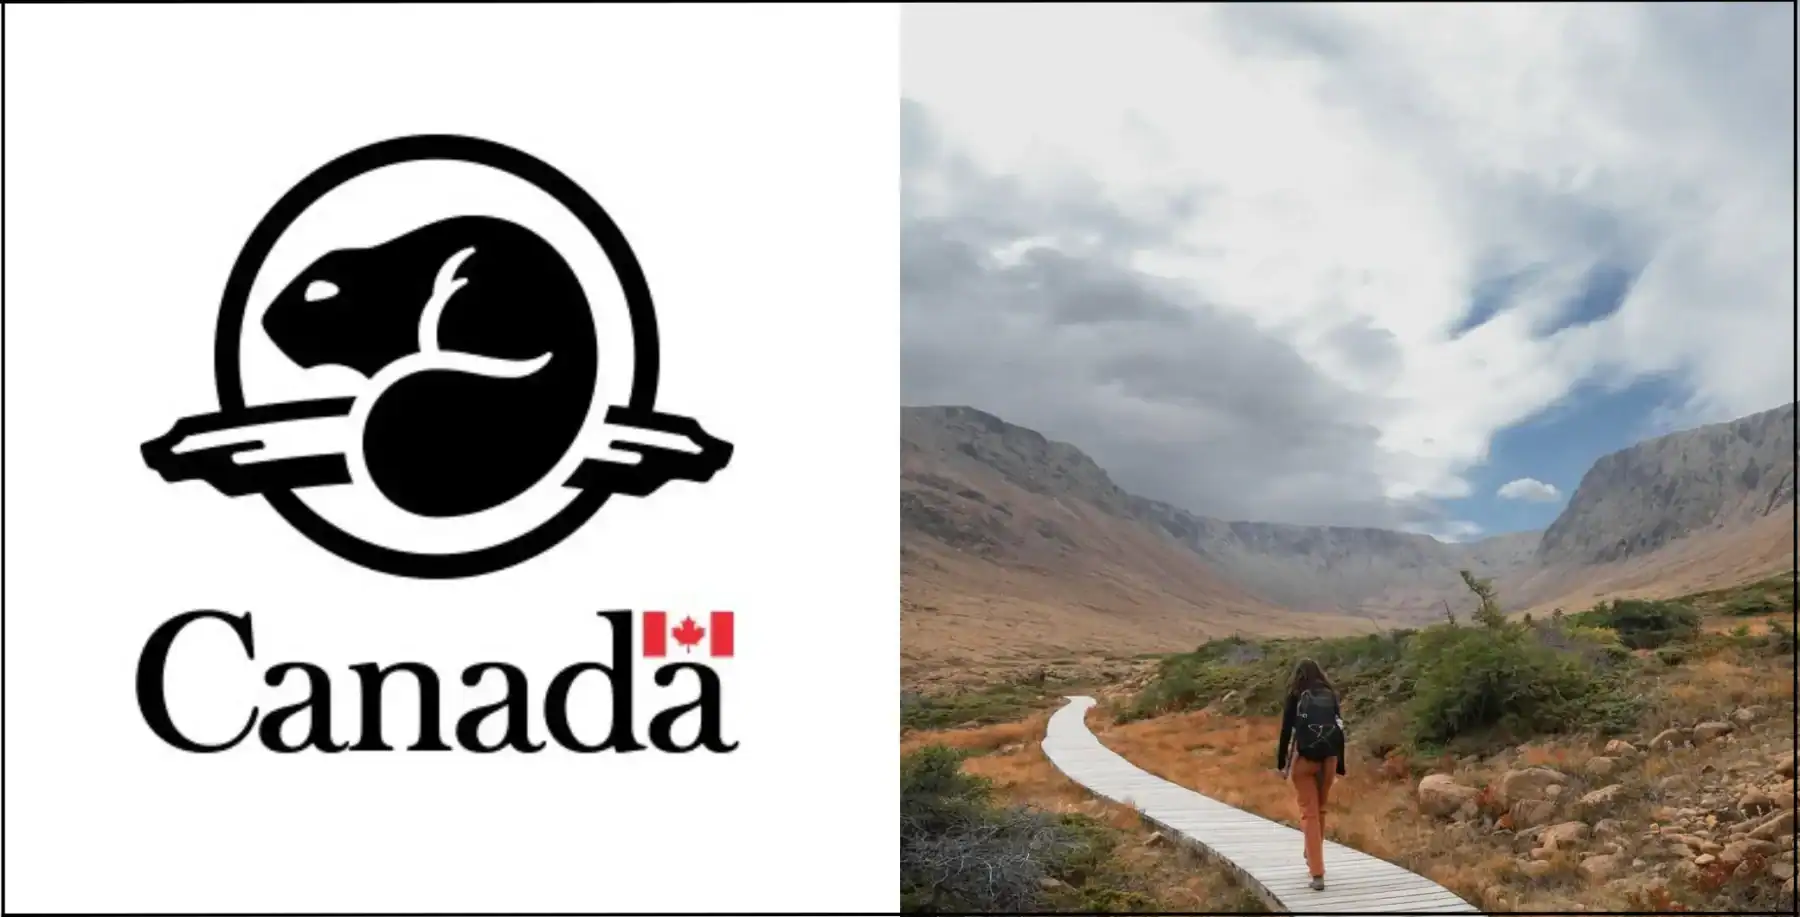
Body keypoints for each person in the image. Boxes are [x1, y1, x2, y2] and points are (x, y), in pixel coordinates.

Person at [1275, 658, 1346, 891]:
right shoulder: (1330, 694)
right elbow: (1339, 729)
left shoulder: (1295, 695)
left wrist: (1281, 763)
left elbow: (1286, 731)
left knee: (1309, 814)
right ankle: (1312, 852)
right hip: (1329, 759)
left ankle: (1317, 873)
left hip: (1304, 761)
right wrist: (1340, 764)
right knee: (1320, 811)